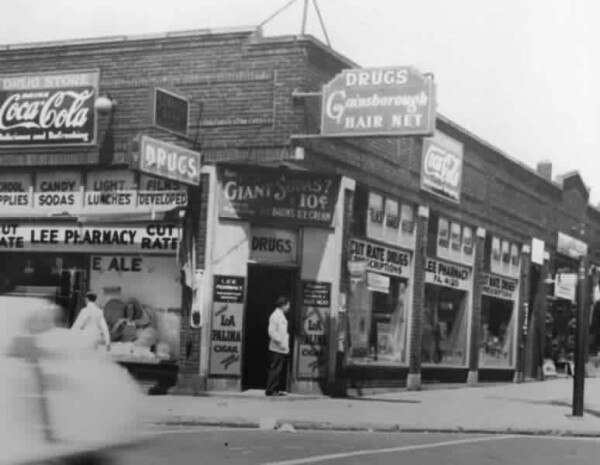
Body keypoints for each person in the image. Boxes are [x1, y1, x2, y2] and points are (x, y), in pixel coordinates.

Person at [265, 296, 291, 397]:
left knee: (278, 369)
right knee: (275, 369)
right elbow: (271, 331)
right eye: (288, 305)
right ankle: (270, 390)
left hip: (281, 347)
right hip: (277, 347)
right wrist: (279, 342)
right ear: (283, 305)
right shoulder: (275, 316)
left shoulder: (280, 315)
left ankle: (274, 389)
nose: (289, 307)